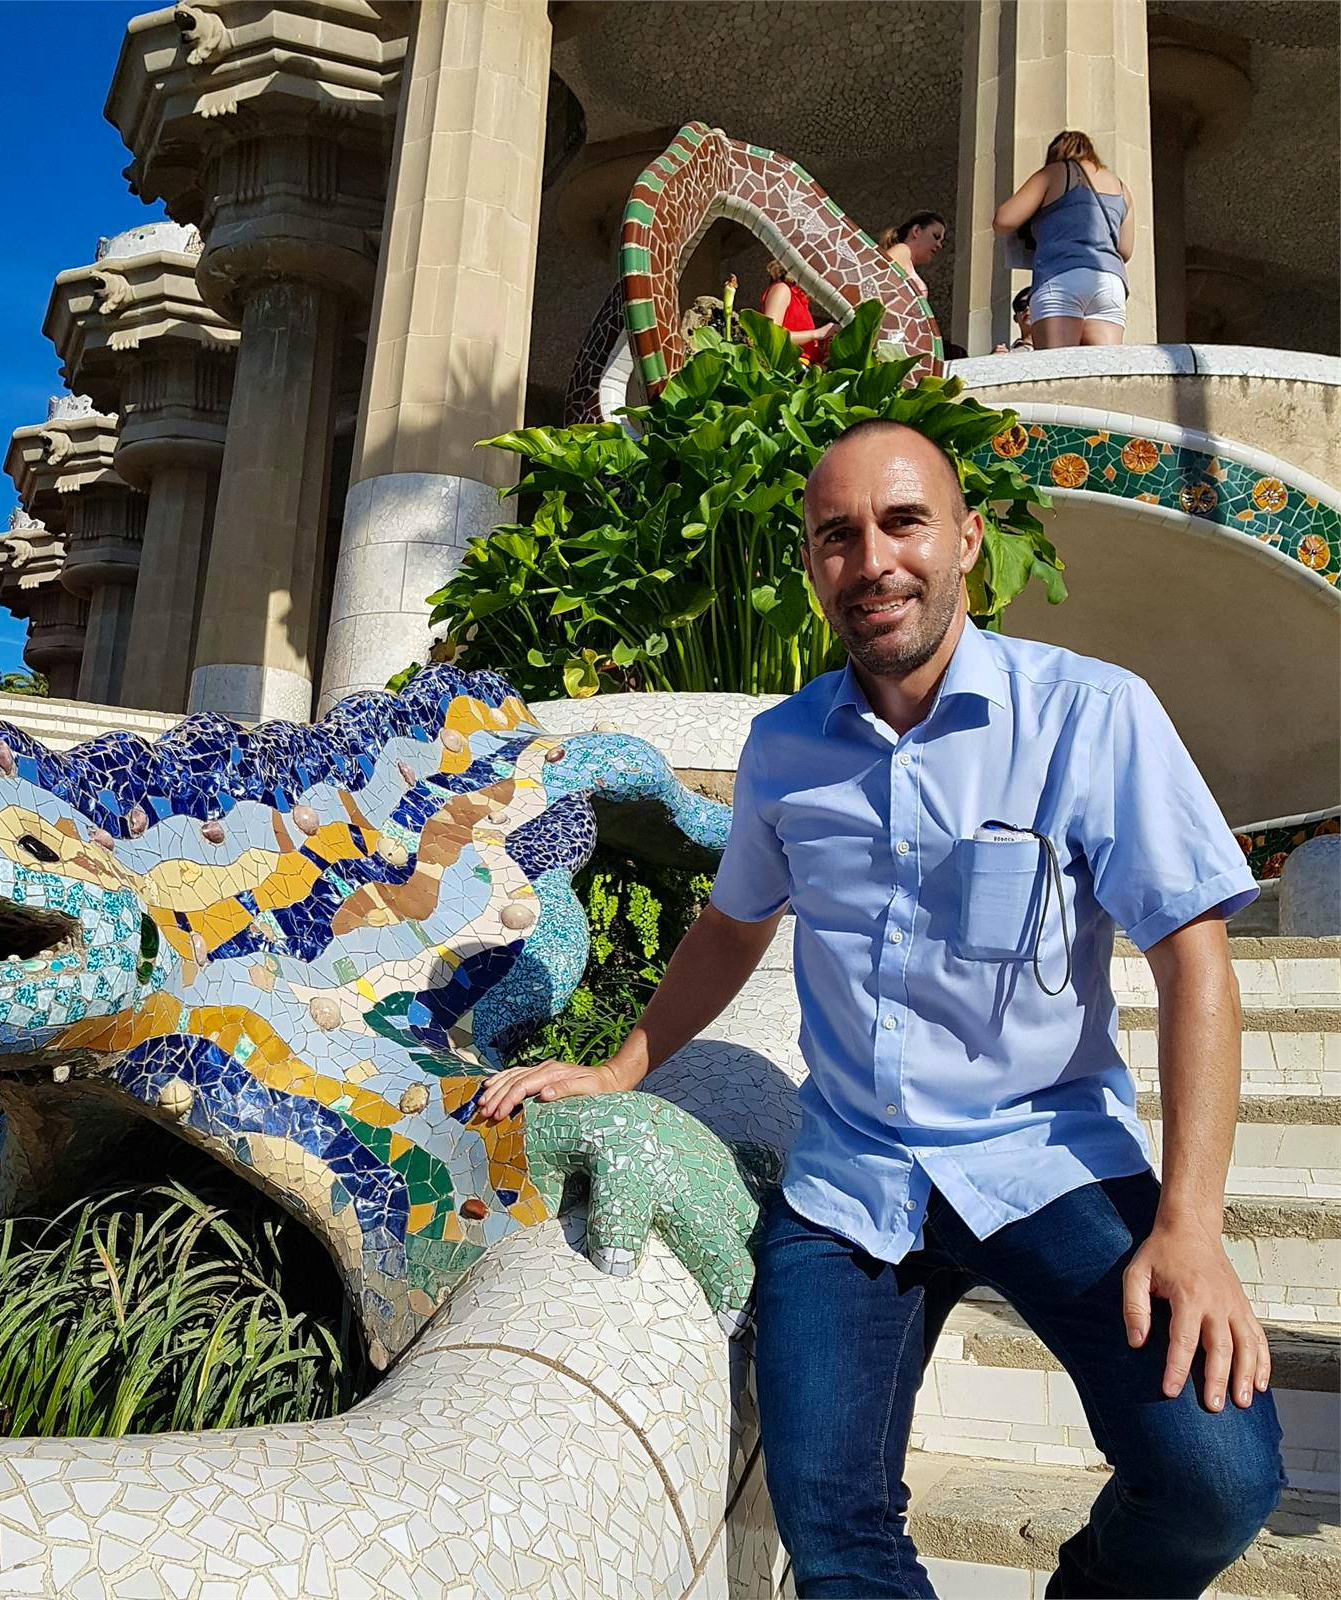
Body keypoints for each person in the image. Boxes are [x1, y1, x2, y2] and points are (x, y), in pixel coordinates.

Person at [477, 419, 1284, 1599]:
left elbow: (1193, 962)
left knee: (1218, 1473)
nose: (872, 562)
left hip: (1044, 1154)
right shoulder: (785, 746)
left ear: (965, 538)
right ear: (812, 562)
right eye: (837, 535)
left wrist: (1191, 1227)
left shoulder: (1088, 715)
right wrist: (617, 1068)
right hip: (851, 1176)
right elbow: (732, 925)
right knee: (832, 1526)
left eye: (903, 523)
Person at [993, 130, 1133, 349]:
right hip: (1109, 282)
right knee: (1102, 367)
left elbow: (1003, 220)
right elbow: (1125, 250)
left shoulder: (1055, 172)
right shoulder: (1122, 188)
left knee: (1058, 365)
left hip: (1061, 277)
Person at [761, 259, 835, 362]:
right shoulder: (782, 289)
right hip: (791, 365)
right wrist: (817, 334)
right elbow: (771, 335)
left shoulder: (800, 300)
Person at [878, 213, 947, 300]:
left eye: (941, 241)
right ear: (916, 231)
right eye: (936, 236)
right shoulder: (902, 250)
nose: (939, 245)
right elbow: (878, 280)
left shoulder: (908, 265)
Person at [993, 286, 1035, 353]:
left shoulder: (1053, 346)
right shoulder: (1009, 354)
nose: (1027, 308)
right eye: (1021, 305)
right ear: (1015, 318)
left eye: (1032, 303)